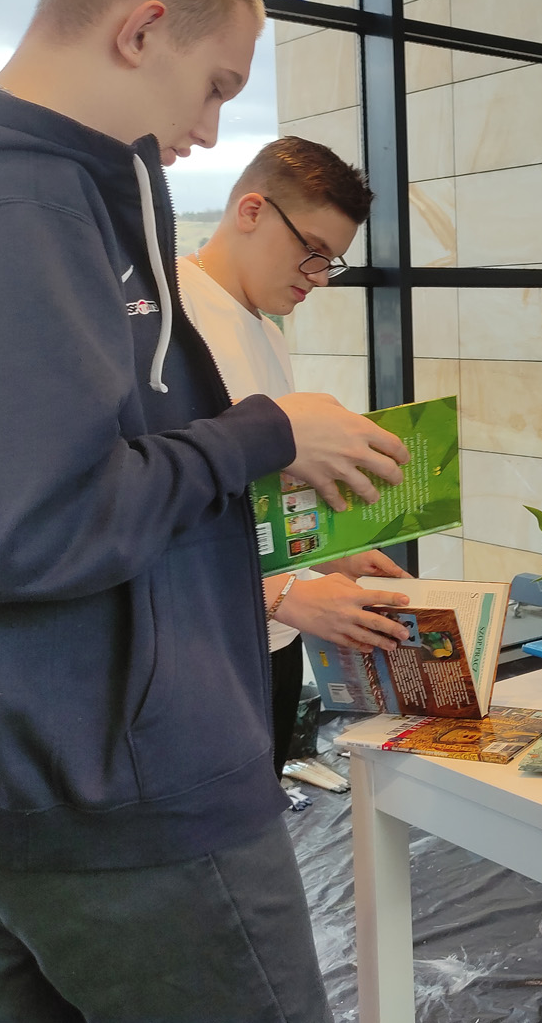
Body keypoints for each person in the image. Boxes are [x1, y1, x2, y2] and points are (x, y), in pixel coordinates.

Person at [0, 0, 409, 1023]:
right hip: (111, 789)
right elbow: (31, 528)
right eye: (216, 85)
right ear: (141, 29)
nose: (208, 128)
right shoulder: (14, 203)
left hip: (17, 771)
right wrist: (266, 432)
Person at [179, 135, 414, 777]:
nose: (318, 277)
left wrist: (329, 554)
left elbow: (255, 496)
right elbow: (161, 501)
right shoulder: (171, 320)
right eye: (311, 251)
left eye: (330, 261)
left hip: (275, 638)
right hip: (206, 644)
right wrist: (280, 592)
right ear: (251, 211)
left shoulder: (266, 331)